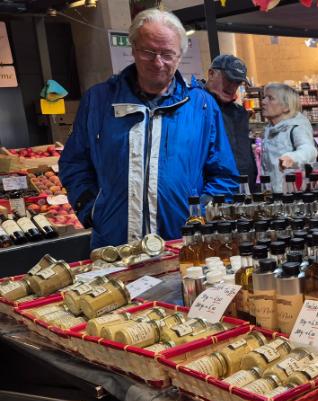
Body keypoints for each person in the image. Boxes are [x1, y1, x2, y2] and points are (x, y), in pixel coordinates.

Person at [59, 8, 239, 248]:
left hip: (182, 246)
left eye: (167, 53)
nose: (157, 62)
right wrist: (92, 210)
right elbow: (74, 164)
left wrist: (200, 215)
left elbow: (224, 175)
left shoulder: (202, 106)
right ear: (133, 48)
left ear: (179, 56)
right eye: (148, 51)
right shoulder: (98, 101)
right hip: (113, 247)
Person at [204, 55, 257, 191]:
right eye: (228, 79)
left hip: (243, 191)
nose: (233, 86)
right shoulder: (197, 107)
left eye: (238, 82)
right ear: (211, 74)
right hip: (212, 193)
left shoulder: (239, 113)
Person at [259, 83, 318, 193]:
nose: (263, 102)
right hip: (273, 195)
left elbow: (309, 150)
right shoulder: (271, 129)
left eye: (270, 98)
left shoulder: (296, 127)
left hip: (292, 195)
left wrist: (292, 157)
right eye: (264, 97)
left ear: (286, 107)